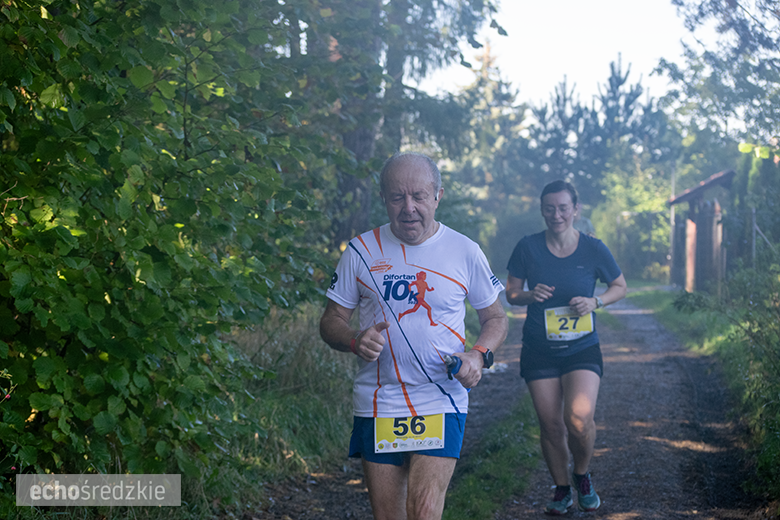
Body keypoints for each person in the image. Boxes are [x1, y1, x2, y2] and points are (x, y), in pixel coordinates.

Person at [320, 152, 508, 520]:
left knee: (422, 511)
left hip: (441, 397)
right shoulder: (361, 251)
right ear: (383, 198)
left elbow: (496, 317)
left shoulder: (465, 251)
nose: (409, 208)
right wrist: (355, 339)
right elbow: (331, 321)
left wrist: (478, 354)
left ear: (438, 196)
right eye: (397, 197)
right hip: (379, 401)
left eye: (419, 196)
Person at [505, 180, 626, 515]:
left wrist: (595, 301)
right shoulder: (527, 247)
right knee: (551, 425)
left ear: (576, 209)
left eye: (562, 207)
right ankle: (561, 489)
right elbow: (511, 293)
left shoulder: (593, 248)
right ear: (542, 210)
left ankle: (582, 475)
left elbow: (620, 286)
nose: (555, 215)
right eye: (549, 208)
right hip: (539, 349)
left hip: (582, 348)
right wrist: (530, 295)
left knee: (579, 418)